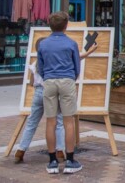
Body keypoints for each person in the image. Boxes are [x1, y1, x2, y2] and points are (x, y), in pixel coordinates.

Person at [15, 37, 98, 163]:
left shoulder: (35, 63)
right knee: (59, 122)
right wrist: (89, 51)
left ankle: (21, 150)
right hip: (50, 91)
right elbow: (77, 58)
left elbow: (32, 82)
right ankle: (60, 151)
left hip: (38, 93)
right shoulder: (54, 61)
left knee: (32, 122)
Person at [37, 11, 82, 174]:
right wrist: (71, 77)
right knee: (68, 121)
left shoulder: (43, 44)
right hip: (67, 80)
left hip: (49, 81)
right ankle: (70, 160)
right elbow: (77, 67)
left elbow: (40, 67)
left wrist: (48, 77)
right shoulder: (71, 44)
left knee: (51, 121)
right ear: (66, 25)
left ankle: (52, 161)